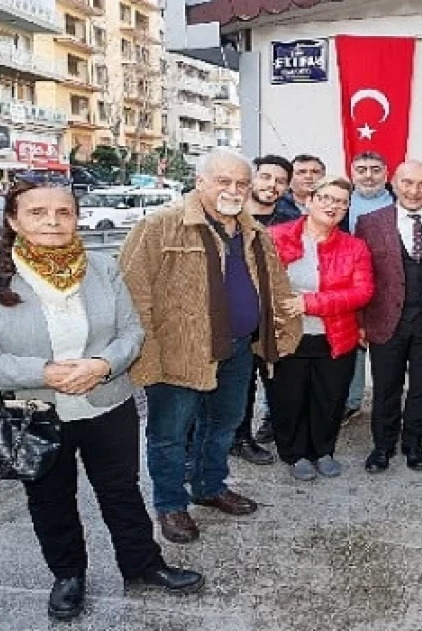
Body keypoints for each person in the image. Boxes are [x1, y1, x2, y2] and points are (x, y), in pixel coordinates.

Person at [0, 182, 203, 621]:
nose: (52, 222)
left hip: (106, 401)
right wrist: (41, 373)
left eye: (63, 212)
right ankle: (68, 577)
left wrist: (102, 365)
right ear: (12, 220)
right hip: (33, 413)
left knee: (121, 491)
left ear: (76, 217)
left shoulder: (102, 268)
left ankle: (143, 565)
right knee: (50, 497)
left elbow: (131, 334)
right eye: (38, 212)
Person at [120, 149, 301, 545]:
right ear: (200, 182)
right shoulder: (160, 226)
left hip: (237, 349)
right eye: (223, 181)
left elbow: (276, 283)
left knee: (222, 424)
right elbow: (132, 295)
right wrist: (145, 356)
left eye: (241, 183)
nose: (233, 190)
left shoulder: (252, 231)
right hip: (177, 350)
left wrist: (284, 329)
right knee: (170, 434)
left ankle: (209, 485)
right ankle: (170, 504)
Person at [356, 160, 422, 473]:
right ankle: (382, 446)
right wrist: (361, 321)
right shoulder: (369, 222)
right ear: (394, 182)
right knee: (385, 388)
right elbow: (361, 274)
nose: (415, 191)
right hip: (385, 319)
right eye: (407, 183)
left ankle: (413, 443)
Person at [268, 177, 375, 480]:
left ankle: (323, 450)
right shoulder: (276, 236)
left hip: (335, 335)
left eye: (342, 202)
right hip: (286, 335)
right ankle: (294, 453)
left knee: (329, 397)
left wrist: (311, 303)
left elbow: (362, 292)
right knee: (288, 398)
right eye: (327, 198)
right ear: (310, 200)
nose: (334, 206)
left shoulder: (355, 247)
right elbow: (260, 283)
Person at [232, 153, 296, 465]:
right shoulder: (230, 219)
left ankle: (277, 433)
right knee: (239, 384)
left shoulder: (292, 222)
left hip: (274, 317)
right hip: (237, 316)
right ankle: (238, 437)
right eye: (266, 177)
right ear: (252, 179)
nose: (272, 185)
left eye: (281, 181)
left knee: (276, 380)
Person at [343, 151, 395, 420]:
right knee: (354, 345)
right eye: (361, 169)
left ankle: (388, 407)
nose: (368, 175)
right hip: (349, 284)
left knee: (389, 349)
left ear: (386, 174)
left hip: (391, 286)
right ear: (352, 173)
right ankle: (351, 402)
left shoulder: (400, 201)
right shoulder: (339, 203)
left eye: (375, 169)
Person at [280, 154, 326, 218]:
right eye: (301, 172)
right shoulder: (275, 207)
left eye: (315, 172)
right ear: (289, 178)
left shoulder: (337, 206)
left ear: (324, 177)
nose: (308, 176)